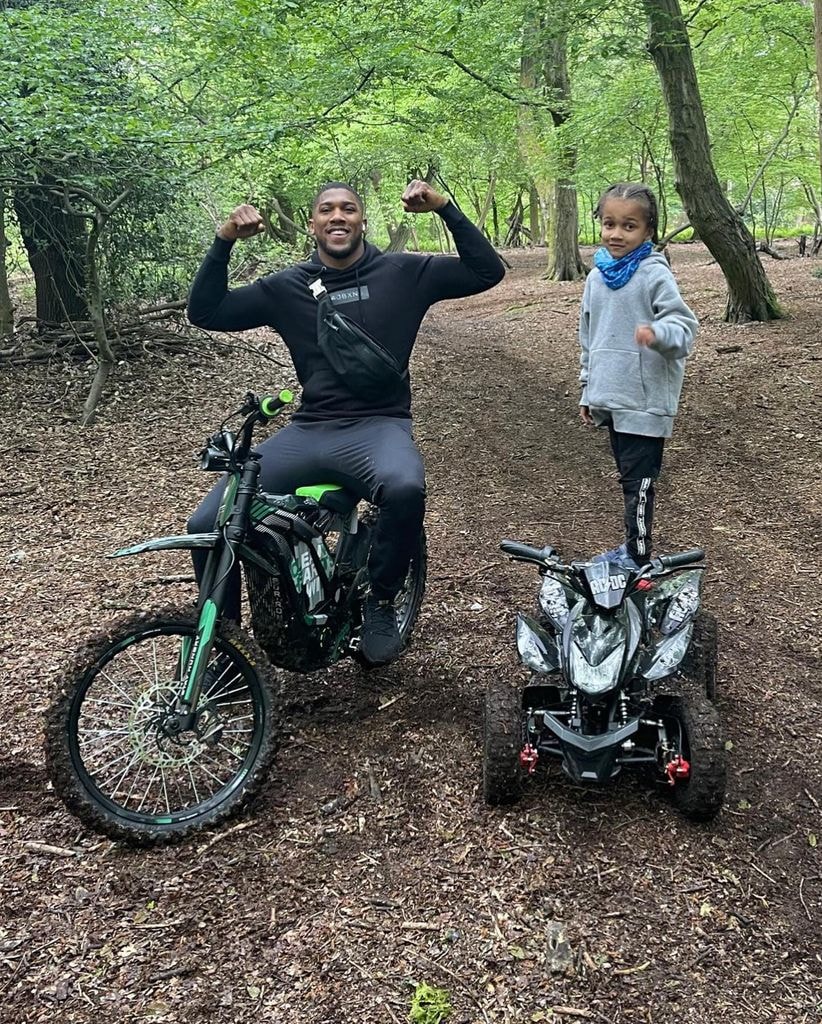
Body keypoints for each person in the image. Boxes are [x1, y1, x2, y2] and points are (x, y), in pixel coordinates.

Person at [187, 179, 505, 664]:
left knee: (404, 488)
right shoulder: (286, 287)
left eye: (348, 209)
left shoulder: (404, 272)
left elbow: (487, 271)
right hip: (310, 429)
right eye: (327, 210)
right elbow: (205, 311)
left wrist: (444, 207)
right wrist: (225, 238)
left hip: (379, 426)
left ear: (362, 220)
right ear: (312, 224)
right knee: (209, 522)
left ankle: (380, 602)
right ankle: (227, 652)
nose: (338, 217)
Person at [578, 182, 698, 570]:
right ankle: (632, 549)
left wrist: (657, 333)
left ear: (648, 231)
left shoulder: (652, 274)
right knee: (628, 480)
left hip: (645, 402)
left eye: (629, 226)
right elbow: (589, 337)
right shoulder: (596, 277)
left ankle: (638, 557)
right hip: (611, 396)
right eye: (609, 223)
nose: (616, 233)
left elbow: (683, 329)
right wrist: (587, 388)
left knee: (640, 485)